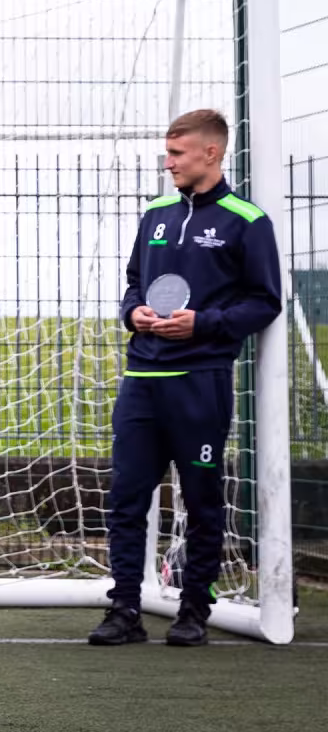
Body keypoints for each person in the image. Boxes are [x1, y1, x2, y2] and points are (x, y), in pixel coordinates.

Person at [90, 108, 281, 648]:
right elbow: (133, 284)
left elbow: (265, 302)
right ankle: (125, 608)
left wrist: (206, 323)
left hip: (201, 381)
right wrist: (134, 315)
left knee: (201, 497)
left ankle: (195, 607)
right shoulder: (156, 214)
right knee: (126, 496)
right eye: (167, 153)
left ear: (211, 153)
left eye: (176, 154)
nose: (168, 163)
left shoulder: (247, 220)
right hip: (141, 379)